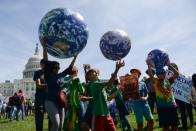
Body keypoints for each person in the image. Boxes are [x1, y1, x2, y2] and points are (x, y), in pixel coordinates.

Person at [42, 38, 77, 131]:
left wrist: (75, 57)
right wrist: (44, 46)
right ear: (52, 68)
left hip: (60, 102)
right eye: (56, 67)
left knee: (61, 126)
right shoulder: (48, 75)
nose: (58, 69)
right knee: (56, 123)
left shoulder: (61, 75)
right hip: (50, 102)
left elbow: (69, 68)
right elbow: (45, 60)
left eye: (58, 67)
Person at [85, 60, 125, 131]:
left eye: (92, 72)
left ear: (97, 74)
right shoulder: (94, 84)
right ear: (89, 77)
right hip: (98, 115)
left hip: (106, 114)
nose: (91, 73)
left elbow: (109, 98)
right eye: (89, 73)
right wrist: (117, 69)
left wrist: (118, 90)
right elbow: (110, 83)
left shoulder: (100, 85)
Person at [147, 60, 179, 131]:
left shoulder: (168, 81)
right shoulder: (155, 81)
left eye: (163, 73)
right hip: (162, 108)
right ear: (157, 75)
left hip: (172, 106)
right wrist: (149, 66)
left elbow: (176, 74)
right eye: (160, 73)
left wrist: (169, 65)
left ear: (165, 74)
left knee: (175, 125)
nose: (162, 74)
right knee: (165, 127)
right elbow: (150, 74)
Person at [33, 59, 48, 131]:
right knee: (39, 116)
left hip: (49, 97)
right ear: (41, 64)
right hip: (40, 97)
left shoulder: (50, 73)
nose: (45, 65)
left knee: (52, 117)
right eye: (43, 64)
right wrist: (50, 85)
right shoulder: (38, 73)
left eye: (46, 64)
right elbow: (38, 85)